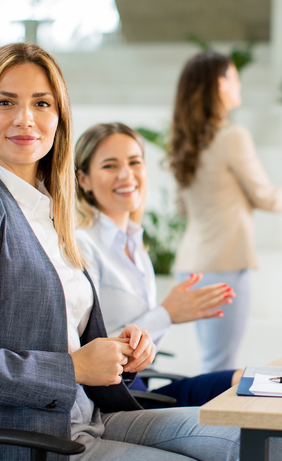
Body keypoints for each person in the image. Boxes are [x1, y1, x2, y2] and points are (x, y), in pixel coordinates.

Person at [0, 43, 282, 461]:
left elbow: (59, 336)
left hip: (94, 415)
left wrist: (120, 349)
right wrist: (75, 367)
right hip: (34, 435)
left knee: (256, 435)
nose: (26, 118)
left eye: (42, 103)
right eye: (5, 102)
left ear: (59, 119)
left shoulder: (50, 212)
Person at [168, 51, 282, 373]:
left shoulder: (185, 142)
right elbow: (265, 196)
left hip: (191, 267)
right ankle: (207, 426)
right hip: (224, 266)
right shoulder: (233, 136)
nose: (239, 85)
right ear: (218, 85)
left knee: (211, 360)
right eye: (234, 77)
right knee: (220, 365)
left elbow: (182, 208)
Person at [74, 122, 242, 406]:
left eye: (134, 162)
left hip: (140, 384)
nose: (126, 175)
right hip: (116, 399)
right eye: (110, 166)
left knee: (247, 381)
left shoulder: (135, 244)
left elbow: (145, 349)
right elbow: (91, 352)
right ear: (84, 180)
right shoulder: (82, 246)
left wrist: (167, 316)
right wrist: (166, 313)